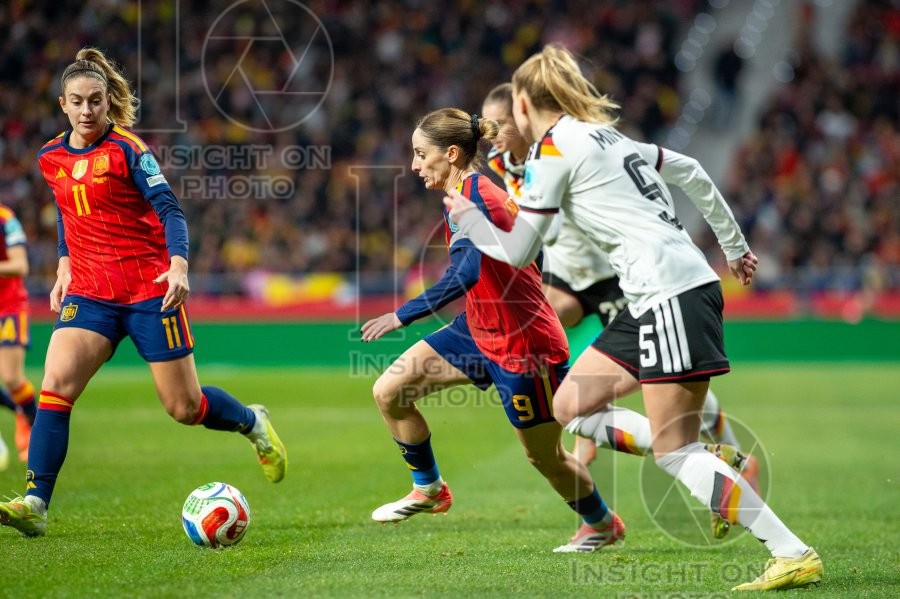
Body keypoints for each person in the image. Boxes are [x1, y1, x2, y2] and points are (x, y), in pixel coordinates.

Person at [446, 45, 821, 591]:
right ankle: (719, 460)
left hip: (667, 292)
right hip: (656, 295)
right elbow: (690, 169)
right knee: (570, 405)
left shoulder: (555, 148)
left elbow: (522, 249)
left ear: (523, 103)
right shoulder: (607, 136)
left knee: (675, 452)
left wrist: (468, 220)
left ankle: (789, 549)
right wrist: (733, 247)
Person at [0, 48, 287, 538]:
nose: (87, 110)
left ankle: (251, 420)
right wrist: (65, 265)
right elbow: (70, 217)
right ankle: (36, 502)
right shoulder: (50, 157)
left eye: (95, 100)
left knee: (184, 407)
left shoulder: (129, 151)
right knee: (56, 385)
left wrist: (177, 266)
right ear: (62, 105)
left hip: (149, 290)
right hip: (90, 292)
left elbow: (171, 211)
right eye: (77, 102)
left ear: (108, 101)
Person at [482, 82, 757, 538]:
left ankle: (715, 455)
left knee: (669, 377)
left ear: (525, 113)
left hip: (619, 277)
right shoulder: (503, 161)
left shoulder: (563, 151)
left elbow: (529, 237)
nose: (495, 133)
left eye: (503, 123)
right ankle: (597, 461)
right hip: (569, 280)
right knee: (553, 355)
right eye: (489, 125)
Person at [361, 107, 624, 553]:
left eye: (420, 154)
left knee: (545, 457)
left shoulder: (477, 196)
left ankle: (602, 522)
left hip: (524, 346)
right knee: (390, 391)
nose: (413, 165)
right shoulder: (467, 192)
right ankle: (429, 488)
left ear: (450, 153)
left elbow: (464, 272)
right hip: (477, 329)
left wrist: (402, 314)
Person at [0, 202, 38, 467]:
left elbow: (20, 265)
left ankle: (33, 422)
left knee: (12, 377)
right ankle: (21, 410)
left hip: (8, 305)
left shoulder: (6, 218)